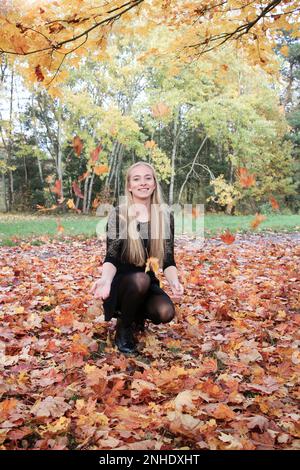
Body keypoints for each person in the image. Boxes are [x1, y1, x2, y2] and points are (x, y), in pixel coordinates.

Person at [91, 161, 184, 354]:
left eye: (147, 178)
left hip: (148, 282)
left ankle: (136, 316)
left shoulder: (165, 216)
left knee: (165, 312)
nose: (143, 183)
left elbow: (168, 259)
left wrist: (174, 282)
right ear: (129, 186)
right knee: (139, 279)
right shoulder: (119, 215)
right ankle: (124, 327)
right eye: (136, 179)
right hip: (122, 283)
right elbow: (112, 256)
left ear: (154, 183)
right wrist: (105, 280)